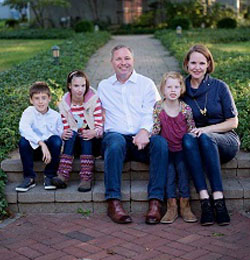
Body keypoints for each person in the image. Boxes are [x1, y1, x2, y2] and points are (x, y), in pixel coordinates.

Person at [97, 45, 168, 224]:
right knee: (114, 142)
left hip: (141, 140)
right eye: (118, 59)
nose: (123, 63)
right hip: (116, 139)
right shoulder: (104, 86)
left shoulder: (146, 83)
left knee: (160, 144)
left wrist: (144, 131)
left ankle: (156, 202)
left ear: (133, 60)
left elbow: (154, 112)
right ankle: (113, 202)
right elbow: (93, 111)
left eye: (127, 58)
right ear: (111, 62)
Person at [182, 44, 240, 226]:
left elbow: (233, 122)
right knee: (188, 138)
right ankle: (205, 201)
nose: (197, 67)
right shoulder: (182, 89)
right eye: (193, 63)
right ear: (186, 64)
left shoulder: (219, 87)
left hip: (225, 140)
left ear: (208, 64)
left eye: (201, 63)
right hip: (196, 143)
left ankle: (219, 200)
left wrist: (207, 130)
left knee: (205, 137)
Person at [152, 71, 197, 224]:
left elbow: (191, 129)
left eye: (176, 87)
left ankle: (185, 204)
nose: (172, 90)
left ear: (181, 89)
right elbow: (155, 128)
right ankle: (171, 206)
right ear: (163, 89)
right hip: (166, 150)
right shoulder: (158, 107)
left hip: (182, 150)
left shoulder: (185, 109)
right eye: (169, 87)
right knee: (169, 173)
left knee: (183, 170)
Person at [52, 70, 103, 192]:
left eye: (83, 86)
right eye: (76, 86)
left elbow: (100, 126)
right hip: (73, 144)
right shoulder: (64, 105)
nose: (80, 89)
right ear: (69, 86)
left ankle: (86, 177)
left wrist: (94, 132)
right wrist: (63, 133)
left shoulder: (94, 101)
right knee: (71, 133)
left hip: (91, 144)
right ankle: (63, 175)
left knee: (85, 134)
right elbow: (63, 127)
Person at [16, 82, 63, 192]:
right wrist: (41, 143)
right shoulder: (29, 112)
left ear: (49, 99)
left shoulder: (55, 116)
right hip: (33, 151)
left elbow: (59, 134)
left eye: (43, 98)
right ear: (31, 100)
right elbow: (23, 128)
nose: (40, 102)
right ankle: (29, 177)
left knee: (56, 140)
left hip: (49, 154)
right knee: (23, 141)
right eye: (37, 98)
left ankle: (50, 175)